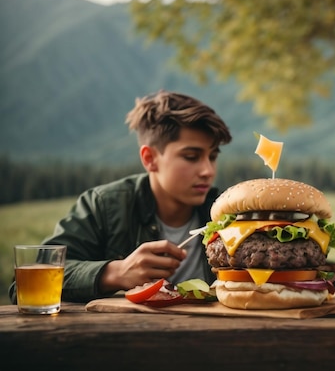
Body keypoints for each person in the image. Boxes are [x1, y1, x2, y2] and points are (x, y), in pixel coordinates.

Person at [9, 90, 233, 303]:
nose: (208, 170)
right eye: (191, 157)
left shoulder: (229, 213)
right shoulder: (104, 206)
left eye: (212, 157)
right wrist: (115, 272)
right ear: (149, 158)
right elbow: (22, 285)